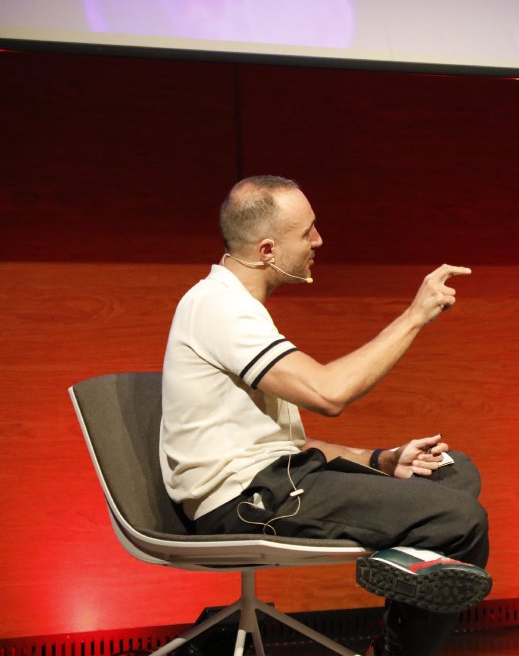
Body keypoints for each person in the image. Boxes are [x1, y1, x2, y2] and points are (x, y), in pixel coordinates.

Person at [159, 175, 491, 656]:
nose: (319, 241)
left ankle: (402, 564)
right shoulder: (220, 308)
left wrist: (380, 460)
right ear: (269, 249)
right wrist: (414, 315)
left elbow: (288, 450)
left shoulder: (239, 308)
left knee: (454, 472)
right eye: (307, 232)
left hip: (277, 480)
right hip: (241, 503)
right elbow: (329, 394)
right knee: (461, 520)